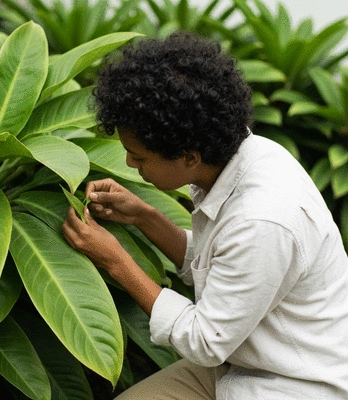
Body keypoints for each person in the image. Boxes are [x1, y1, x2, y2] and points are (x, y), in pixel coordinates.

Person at [62, 32, 348, 399]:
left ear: (189, 157)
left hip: (293, 383)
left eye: (140, 156)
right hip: (239, 362)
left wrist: (115, 259)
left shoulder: (263, 219)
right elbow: (221, 261)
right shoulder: (246, 157)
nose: (129, 163)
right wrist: (145, 217)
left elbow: (205, 341)